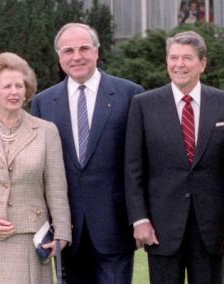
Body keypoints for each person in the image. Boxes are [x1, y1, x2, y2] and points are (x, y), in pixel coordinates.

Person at [125, 30, 224, 284]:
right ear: (166, 61)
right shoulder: (143, 105)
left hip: (212, 226)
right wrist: (140, 218)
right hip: (160, 226)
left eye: (187, 58)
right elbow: (133, 169)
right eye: (173, 58)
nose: (179, 64)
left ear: (202, 63)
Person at [30, 23, 144, 283]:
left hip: (115, 227)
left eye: (84, 48)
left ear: (97, 52)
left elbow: (139, 163)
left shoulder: (130, 95)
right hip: (66, 230)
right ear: (59, 57)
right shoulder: (43, 103)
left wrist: (140, 218)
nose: (77, 56)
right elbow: (39, 169)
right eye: (68, 50)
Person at [0, 52, 71, 283]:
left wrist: (62, 233)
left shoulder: (47, 131)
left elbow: (56, 187)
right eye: (7, 86)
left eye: (19, 86)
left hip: (29, 240)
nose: (14, 92)